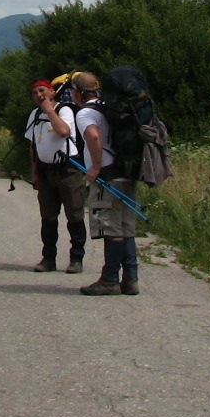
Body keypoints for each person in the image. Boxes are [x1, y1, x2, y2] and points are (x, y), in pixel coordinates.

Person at [71, 72, 139, 296]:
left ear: (78, 93)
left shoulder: (86, 113)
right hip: (127, 173)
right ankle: (130, 279)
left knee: (111, 229)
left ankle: (109, 280)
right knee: (126, 228)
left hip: (107, 177)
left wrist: (95, 167)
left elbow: (93, 136)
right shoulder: (111, 106)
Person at [24, 76, 86, 273]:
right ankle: (48, 258)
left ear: (52, 91)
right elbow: (33, 146)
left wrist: (50, 111)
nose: (39, 95)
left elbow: (64, 131)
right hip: (45, 171)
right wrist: (35, 173)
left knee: (74, 214)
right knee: (48, 216)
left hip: (67, 170)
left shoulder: (64, 110)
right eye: (35, 93)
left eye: (42, 91)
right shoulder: (34, 115)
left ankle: (76, 259)